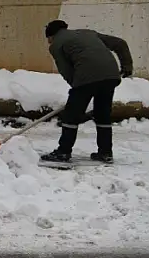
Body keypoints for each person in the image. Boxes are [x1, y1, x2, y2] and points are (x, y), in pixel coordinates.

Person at [42, 20, 133, 163]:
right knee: (102, 114)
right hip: (111, 75)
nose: (48, 42)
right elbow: (120, 43)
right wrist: (127, 65)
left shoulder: (56, 45)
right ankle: (105, 152)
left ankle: (63, 152)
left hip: (87, 76)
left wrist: (77, 93)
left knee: (71, 116)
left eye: (48, 39)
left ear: (51, 36)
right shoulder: (88, 33)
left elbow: (66, 70)